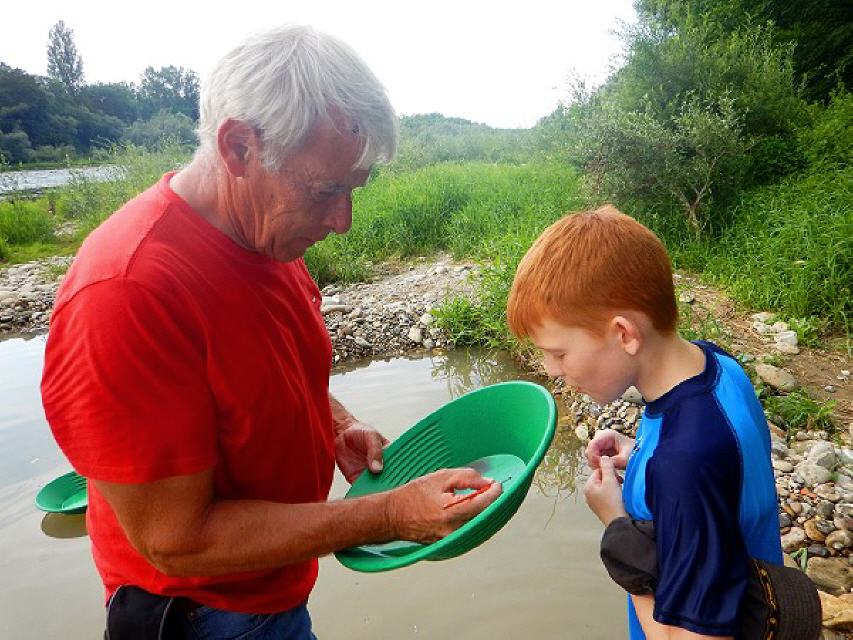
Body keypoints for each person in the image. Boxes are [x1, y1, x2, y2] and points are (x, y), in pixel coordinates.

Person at [41, 24, 501, 639]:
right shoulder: (128, 293)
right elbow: (176, 541)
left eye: (353, 190)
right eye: (326, 191)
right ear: (239, 147)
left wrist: (334, 424)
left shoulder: (268, 234)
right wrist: (387, 514)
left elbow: (265, 366)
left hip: (270, 593)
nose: (342, 220)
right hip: (202, 617)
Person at [505, 205, 783, 639]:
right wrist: (642, 458)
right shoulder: (717, 366)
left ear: (624, 334)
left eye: (559, 353)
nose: (550, 369)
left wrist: (619, 530)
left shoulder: (684, 463)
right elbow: (726, 473)